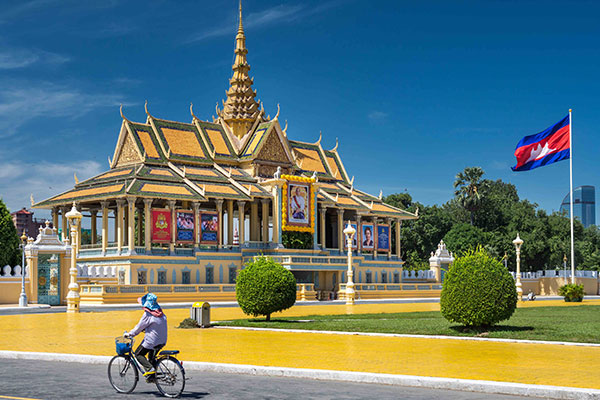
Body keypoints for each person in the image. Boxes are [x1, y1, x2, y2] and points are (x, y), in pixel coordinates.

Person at [125, 293, 168, 379]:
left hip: (152, 341)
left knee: (138, 354)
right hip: (162, 341)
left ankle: (150, 369)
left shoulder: (148, 315)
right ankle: (152, 377)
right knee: (151, 357)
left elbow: (139, 327)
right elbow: (156, 326)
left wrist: (129, 334)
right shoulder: (161, 313)